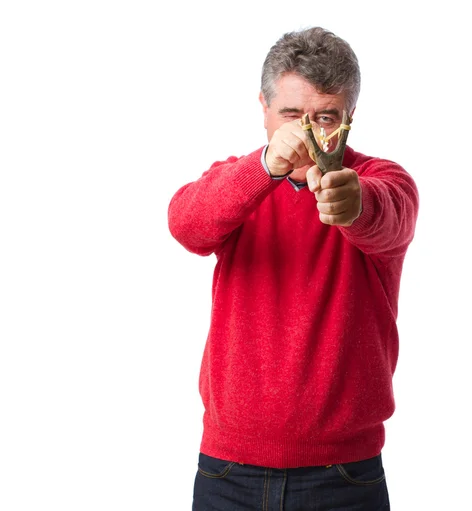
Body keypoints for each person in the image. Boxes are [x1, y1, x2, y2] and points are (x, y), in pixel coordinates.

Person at [168, 26, 419, 510]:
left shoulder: (382, 181)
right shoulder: (235, 181)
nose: (306, 134)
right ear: (262, 108)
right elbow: (186, 225)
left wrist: (353, 204)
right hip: (228, 471)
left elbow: (388, 215)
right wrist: (262, 167)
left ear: (350, 116)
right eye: (290, 116)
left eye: (324, 118)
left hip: (344, 478)